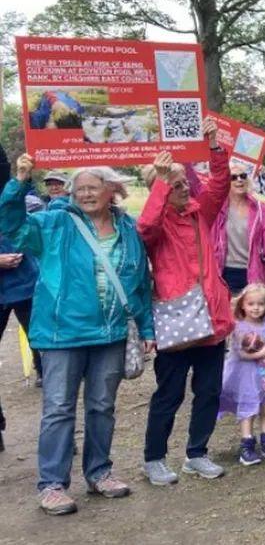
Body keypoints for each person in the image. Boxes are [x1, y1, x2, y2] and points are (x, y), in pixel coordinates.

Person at [1, 156, 155, 515]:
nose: (85, 194)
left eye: (93, 188)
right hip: (62, 334)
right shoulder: (55, 223)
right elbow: (10, 224)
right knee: (58, 408)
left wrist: (146, 329)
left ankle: (99, 472)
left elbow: (138, 285)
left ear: (112, 190)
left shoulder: (128, 229)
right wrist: (20, 181)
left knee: (102, 406)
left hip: (112, 334)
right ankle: (52, 484)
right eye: (79, 188)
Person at [139, 117, 236, 486]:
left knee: (209, 390)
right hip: (176, 319)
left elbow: (221, 184)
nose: (181, 188)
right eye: (172, 184)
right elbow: (145, 228)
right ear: (158, 190)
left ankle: (197, 452)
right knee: (170, 392)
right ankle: (154, 458)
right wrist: (161, 184)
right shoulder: (156, 223)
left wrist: (213, 146)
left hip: (210, 319)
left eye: (182, 182)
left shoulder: (200, 213)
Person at [218, 283, 265, 466]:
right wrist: (260, 354)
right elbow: (239, 353)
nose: (256, 308)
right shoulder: (239, 326)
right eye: (251, 304)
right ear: (242, 304)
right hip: (246, 376)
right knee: (249, 409)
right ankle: (247, 445)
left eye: (260, 304)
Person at [211, 162, 265, 295]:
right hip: (222, 273)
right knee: (226, 315)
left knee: (251, 314)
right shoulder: (216, 210)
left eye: (243, 176)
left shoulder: (262, 210)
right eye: (233, 177)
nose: (239, 180)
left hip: (252, 275)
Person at [0, 144, 42, 390]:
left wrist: (22, 176)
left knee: (36, 331)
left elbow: (16, 219)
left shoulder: (10, 196)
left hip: (24, 280)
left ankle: (44, 371)